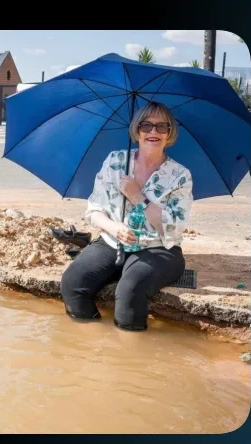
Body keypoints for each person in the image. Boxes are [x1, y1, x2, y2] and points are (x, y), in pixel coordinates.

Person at [60, 101, 193, 331]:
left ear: (169, 133)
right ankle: (95, 345)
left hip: (158, 248)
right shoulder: (115, 161)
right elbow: (94, 209)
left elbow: (172, 226)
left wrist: (138, 196)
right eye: (146, 125)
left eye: (162, 127)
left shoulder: (180, 175)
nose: (153, 132)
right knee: (73, 283)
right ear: (136, 129)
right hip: (113, 241)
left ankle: (131, 357)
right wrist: (113, 228)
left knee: (129, 291)